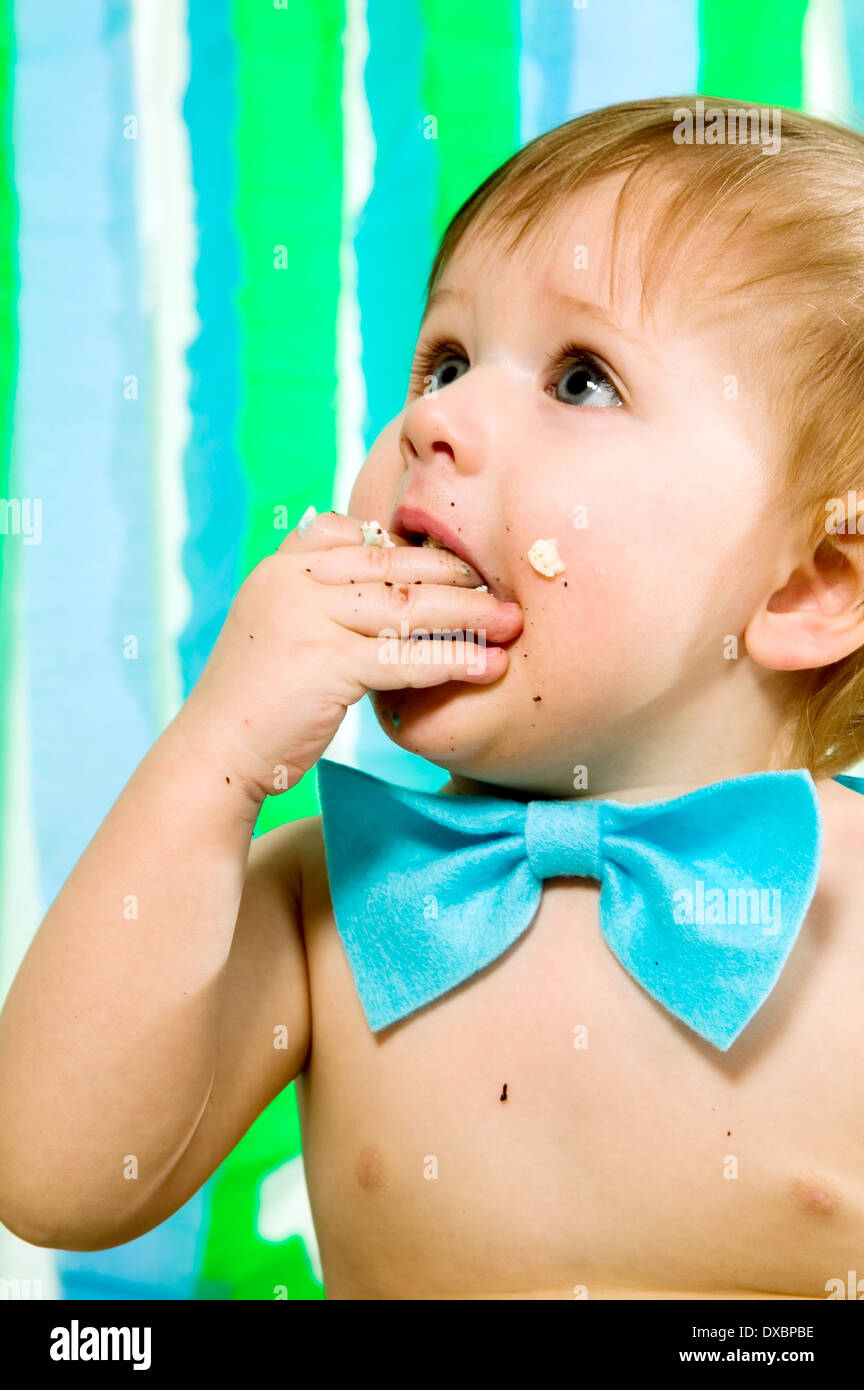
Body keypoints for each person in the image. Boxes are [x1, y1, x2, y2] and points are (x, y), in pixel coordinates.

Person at [2, 95, 864, 1300]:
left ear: (811, 584)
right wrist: (214, 759)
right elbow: (53, 1176)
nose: (434, 420)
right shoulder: (324, 899)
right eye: (446, 359)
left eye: (581, 379)